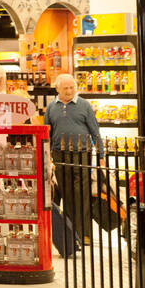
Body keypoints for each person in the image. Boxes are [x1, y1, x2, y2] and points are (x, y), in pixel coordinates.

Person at [45, 73, 103, 243]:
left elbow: (95, 131)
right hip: (59, 154)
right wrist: (47, 157)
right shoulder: (51, 107)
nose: (69, 91)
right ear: (58, 89)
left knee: (82, 195)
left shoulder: (84, 105)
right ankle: (70, 235)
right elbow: (47, 133)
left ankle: (84, 234)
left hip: (82, 154)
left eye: (72, 87)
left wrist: (101, 155)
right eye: (65, 88)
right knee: (66, 194)